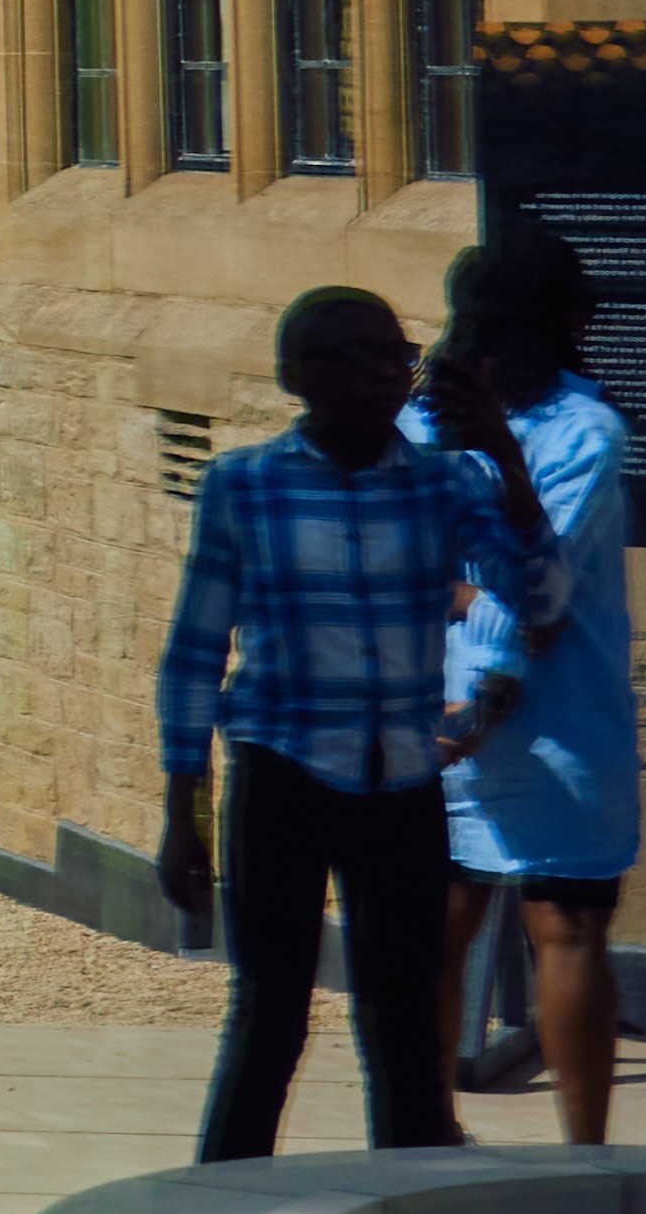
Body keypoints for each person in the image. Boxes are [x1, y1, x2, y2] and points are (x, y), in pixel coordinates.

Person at [162, 284, 558, 1165]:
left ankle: (410, 1212)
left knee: (406, 1021)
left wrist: (504, 453)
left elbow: (542, 592)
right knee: (271, 1013)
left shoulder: (443, 482)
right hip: (284, 772)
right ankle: (221, 1202)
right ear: (296, 375)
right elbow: (195, 652)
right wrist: (180, 808)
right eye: (357, 355)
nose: (386, 372)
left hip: (402, 780)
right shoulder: (245, 486)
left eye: (397, 354)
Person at [428, 230, 638, 1143]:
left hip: (446, 706)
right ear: (573, 319)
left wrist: (475, 618)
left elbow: (484, 581)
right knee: (567, 930)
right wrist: (500, 661)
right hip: (557, 714)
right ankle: (580, 1153)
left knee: (449, 928)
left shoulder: (421, 422)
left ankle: (424, 1130)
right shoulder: (585, 432)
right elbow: (545, 591)